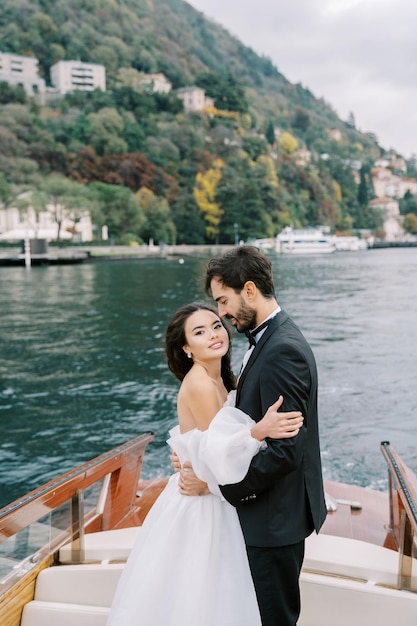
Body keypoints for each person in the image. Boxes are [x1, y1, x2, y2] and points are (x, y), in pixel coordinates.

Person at [106, 302, 303, 626]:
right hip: (202, 501)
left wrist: (188, 455)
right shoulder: (199, 383)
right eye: (199, 332)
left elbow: (208, 445)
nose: (213, 334)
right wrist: (259, 431)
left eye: (215, 325)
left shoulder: (220, 378)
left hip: (211, 489)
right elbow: (218, 454)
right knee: (208, 595)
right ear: (186, 348)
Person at [176, 246, 327, 626]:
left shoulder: (281, 351)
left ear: (247, 291)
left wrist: (217, 489)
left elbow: (285, 452)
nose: (222, 315)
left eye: (223, 302)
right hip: (269, 515)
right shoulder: (270, 340)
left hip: (273, 520)